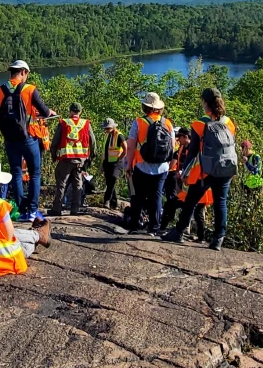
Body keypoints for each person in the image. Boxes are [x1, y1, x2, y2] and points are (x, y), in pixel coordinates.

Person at [164, 88, 238, 249]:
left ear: (205, 102)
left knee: (191, 201)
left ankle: (178, 232)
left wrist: (185, 171)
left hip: (205, 171)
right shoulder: (229, 122)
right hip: (226, 168)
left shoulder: (199, 124)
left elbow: (192, 152)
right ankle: (218, 239)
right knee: (221, 202)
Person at [0, 60, 56, 218]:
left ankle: (21, 211)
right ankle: (32, 211)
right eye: (27, 74)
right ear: (23, 72)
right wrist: (50, 112)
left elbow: (0, 113)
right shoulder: (29, 89)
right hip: (28, 138)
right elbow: (44, 111)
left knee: (16, 173)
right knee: (35, 173)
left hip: (10, 139)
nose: (27, 77)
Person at [123, 92, 174, 234]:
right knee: (156, 197)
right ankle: (154, 227)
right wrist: (168, 165)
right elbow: (172, 146)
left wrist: (128, 165)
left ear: (145, 107)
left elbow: (131, 145)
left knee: (137, 196)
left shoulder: (139, 122)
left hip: (142, 166)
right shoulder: (167, 123)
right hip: (162, 167)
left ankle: (134, 226)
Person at [50, 103, 94, 216]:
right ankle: (75, 209)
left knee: (61, 183)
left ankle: (57, 208)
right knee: (77, 184)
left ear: (70, 111)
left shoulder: (64, 123)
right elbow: (93, 141)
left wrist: (54, 155)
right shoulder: (86, 123)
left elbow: (55, 141)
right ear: (80, 112)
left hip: (66, 159)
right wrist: (91, 157)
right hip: (81, 159)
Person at [100, 118, 127, 209]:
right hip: (107, 163)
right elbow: (104, 152)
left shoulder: (119, 136)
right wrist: (102, 165)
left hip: (117, 163)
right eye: (105, 128)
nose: (106, 130)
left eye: (108, 128)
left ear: (113, 127)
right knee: (110, 183)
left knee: (113, 179)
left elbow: (125, 148)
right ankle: (114, 203)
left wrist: (120, 157)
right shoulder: (106, 136)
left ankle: (106, 200)